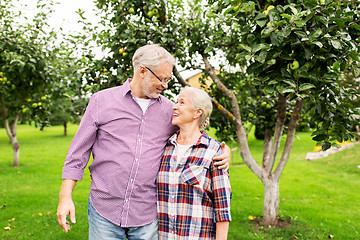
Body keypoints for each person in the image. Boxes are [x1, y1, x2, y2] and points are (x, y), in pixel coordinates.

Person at [56, 44, 230, 240]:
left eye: (168, 79)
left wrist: (223, 150)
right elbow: (77, 153)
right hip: (104, 210)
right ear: (142, 72)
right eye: (162, 79)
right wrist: (65, 197)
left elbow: (194, 136)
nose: (165, 85)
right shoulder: (101, 101)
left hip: (147, 215)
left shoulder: (169, 111)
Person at [157, 86, 232, 239]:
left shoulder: (213, 151)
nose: (174, 106)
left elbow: (222, 207)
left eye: (182, 102)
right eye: (176, 101)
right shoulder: (164, 147)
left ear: (198, 112)